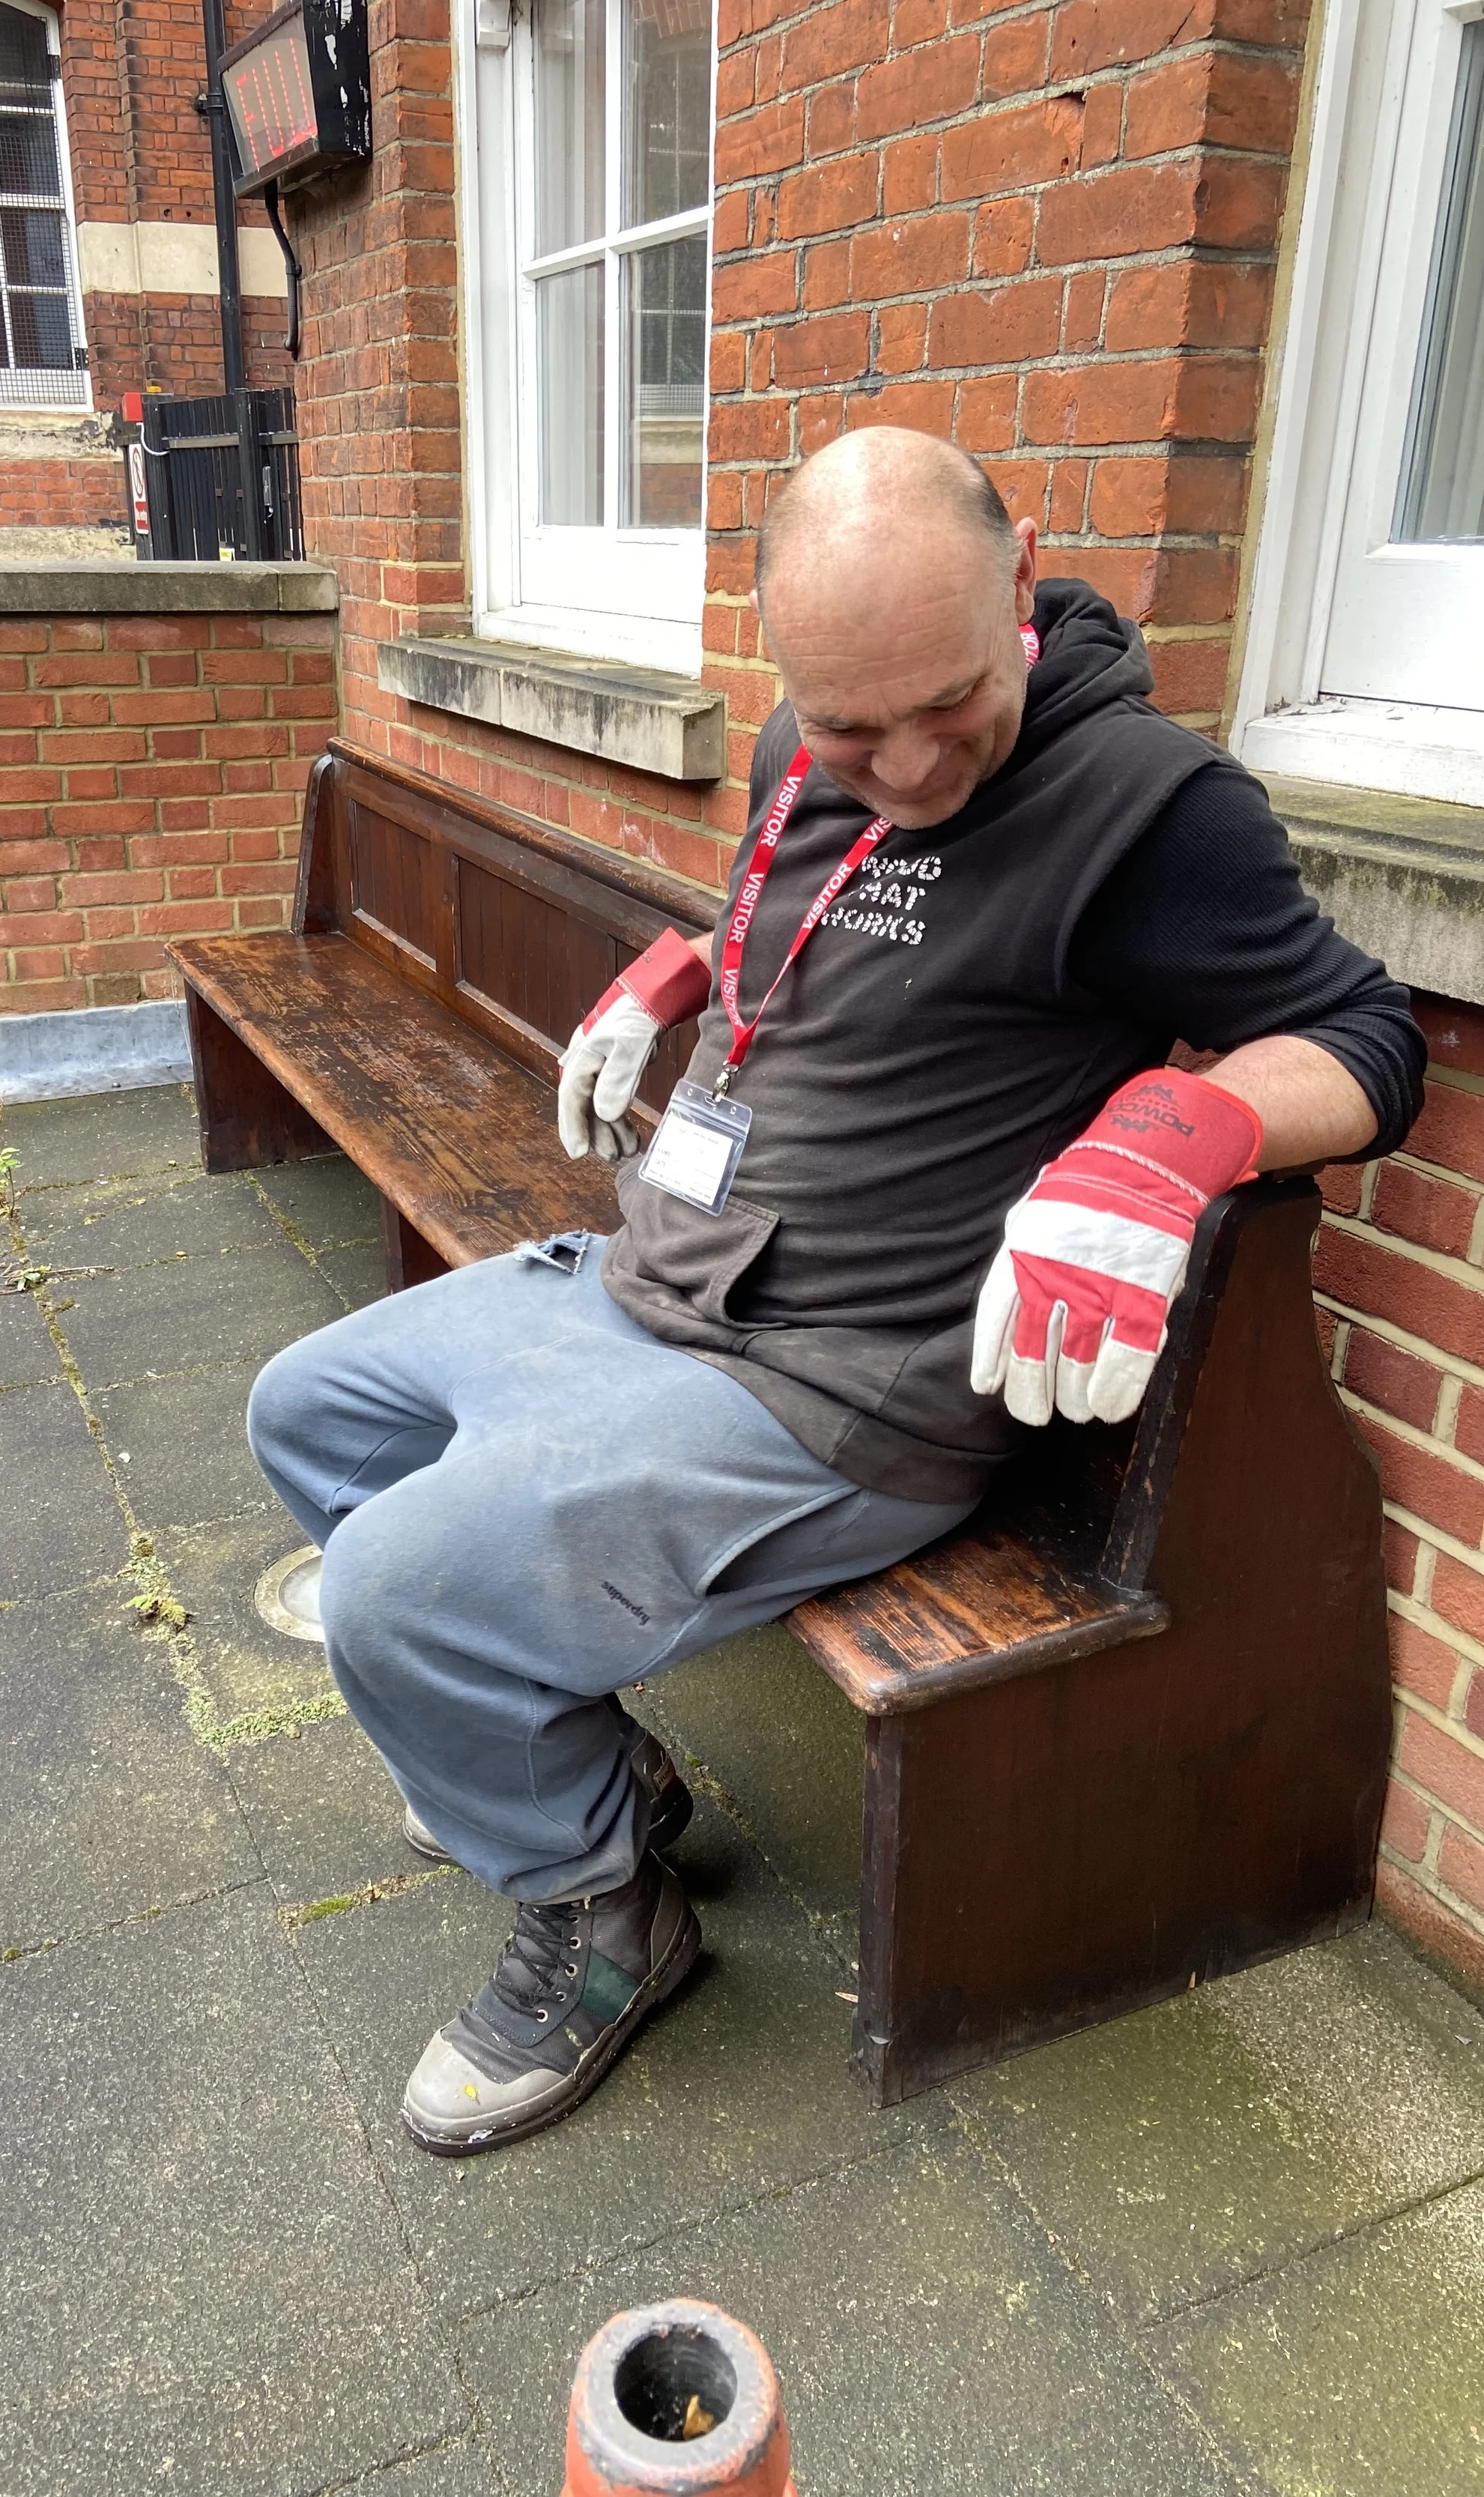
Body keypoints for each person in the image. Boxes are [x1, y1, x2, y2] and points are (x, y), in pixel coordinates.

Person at [247, 427, 1425, 2158]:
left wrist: (1178, 1126)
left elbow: (1369, 1039)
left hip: (841, 1382)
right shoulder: (811, 741)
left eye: (940, 704)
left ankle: (603, 1920)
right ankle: (596, 1784)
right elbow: (786, 923)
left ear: (1016, 585)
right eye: (848, 724)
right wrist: (673, 975)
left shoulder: (1146, 812)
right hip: (667, 1270)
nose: (899, 764)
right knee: (307, 1413)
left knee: (388, 1592)